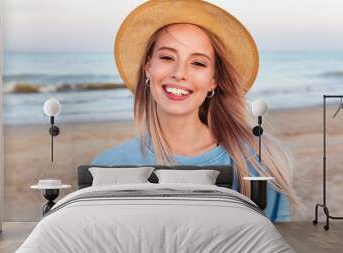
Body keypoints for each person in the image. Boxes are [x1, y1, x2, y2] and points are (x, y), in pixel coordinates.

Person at [91, 0, 297, 222]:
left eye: (198, 63)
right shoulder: (107, 165)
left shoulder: (258, 164)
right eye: (167, 57)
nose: (180, 73)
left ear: (213, 80)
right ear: (148, 67)